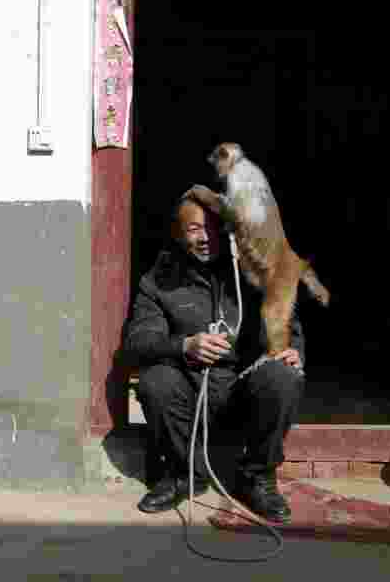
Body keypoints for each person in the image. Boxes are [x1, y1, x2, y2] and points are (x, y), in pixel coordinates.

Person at [121, 192, 306, 523]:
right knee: (155, 381)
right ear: (178, 233)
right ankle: (182, 474)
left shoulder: (254, 274)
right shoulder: (159, 280)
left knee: (283, 376)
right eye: (194, 229)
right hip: (190, 393)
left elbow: (287, 325)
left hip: (242, 391)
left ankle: (257, 478)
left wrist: (292, 350)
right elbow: (138, 342)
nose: (205, 237)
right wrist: (185, 346)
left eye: (213, 227)